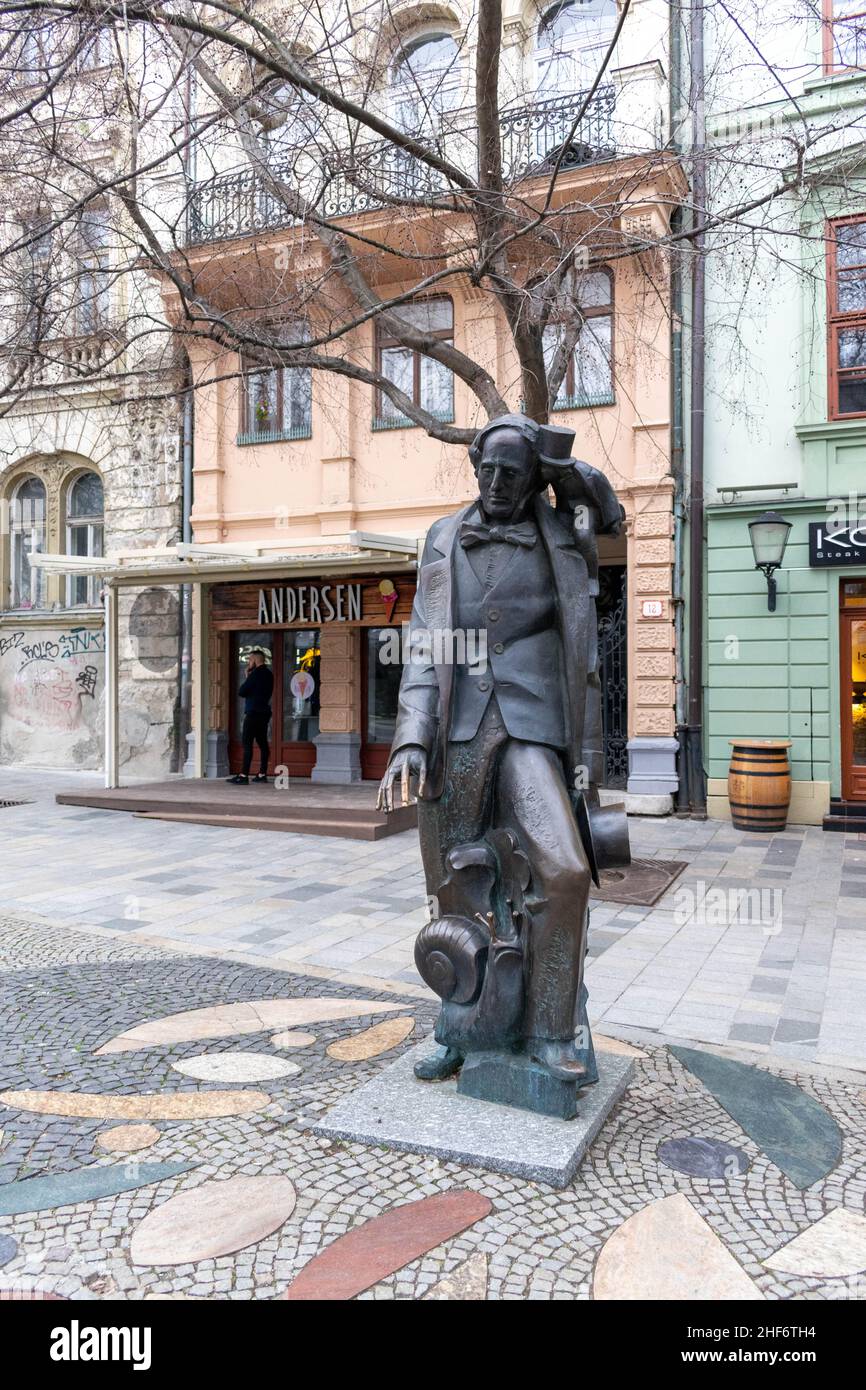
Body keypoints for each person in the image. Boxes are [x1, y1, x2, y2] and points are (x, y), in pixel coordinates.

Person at [378, 413, 626, 1092]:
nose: (494, 483)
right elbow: (427, 641)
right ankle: (459, 1032)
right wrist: (409, 738)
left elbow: (611, 512)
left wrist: (561, 467)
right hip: (457, 733)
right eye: (486, 469)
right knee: (457, 886)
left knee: (565, 871)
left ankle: (551, 1031)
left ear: (534, 478)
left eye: (512, 473)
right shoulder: (444, 537)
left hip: (533, 730)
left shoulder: (564, 532)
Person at [227, 646, 274, 785]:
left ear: (254, 660)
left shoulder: (255, 674)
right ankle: (262, 773)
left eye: (250, 659)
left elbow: (242, 691)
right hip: (264, 713)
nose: (248, 662)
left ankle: (243, 775)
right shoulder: (269, 674)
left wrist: (247, 675)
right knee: (263, 744)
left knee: (247, 744)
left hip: (253, 713)